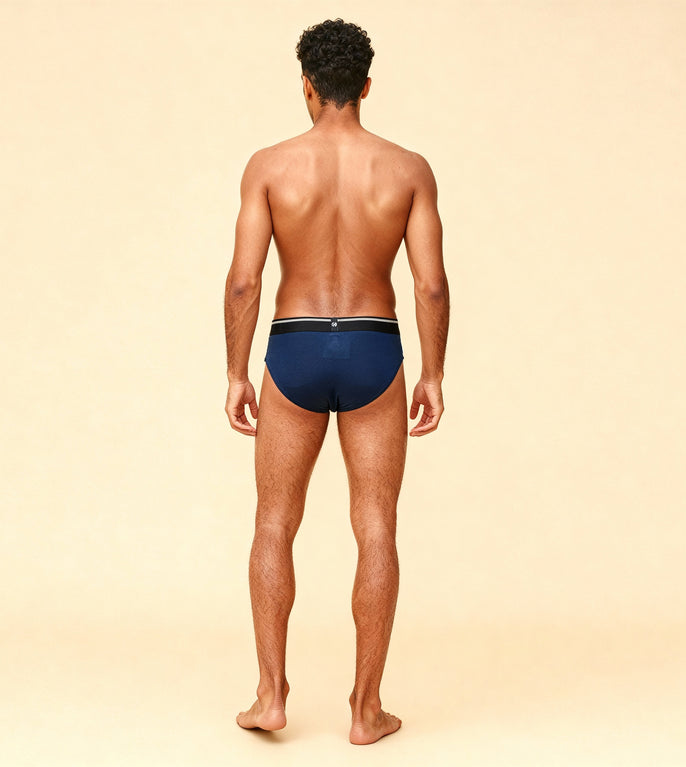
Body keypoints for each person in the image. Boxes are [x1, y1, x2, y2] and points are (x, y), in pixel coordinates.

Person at [223, 18, 449, 745]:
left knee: (273, 521)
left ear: (307, 86)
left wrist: (235, 372)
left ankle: (270, 696)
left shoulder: (268, 166)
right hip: (373, 348)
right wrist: (434, 372)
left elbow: (244, 281)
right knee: (376, 523)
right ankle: (365, 708)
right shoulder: (408, 169)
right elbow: (431, 285)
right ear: (367, 86)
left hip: (293, 347)